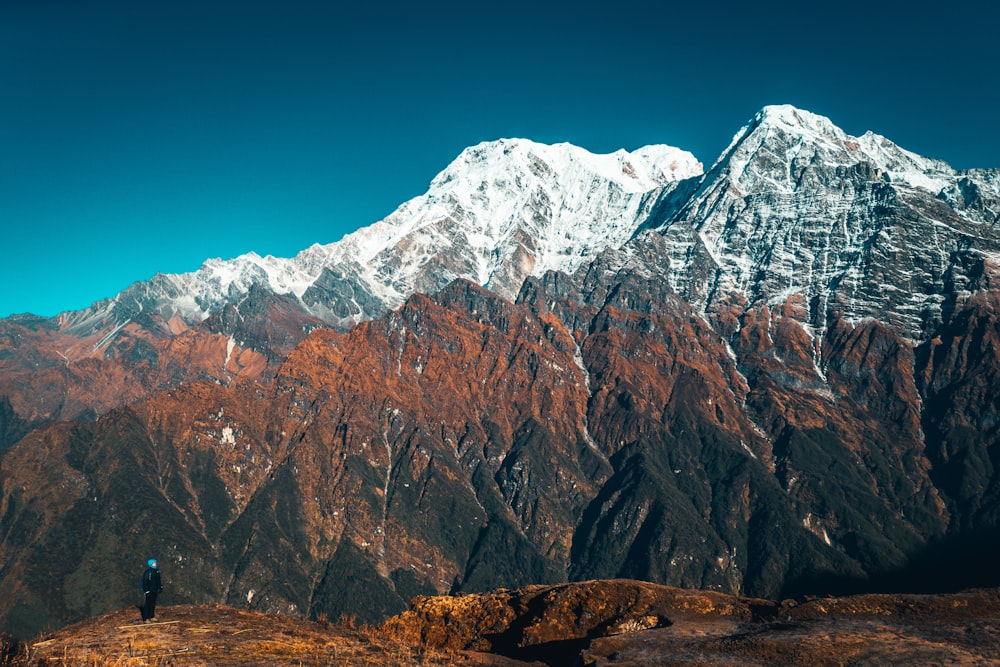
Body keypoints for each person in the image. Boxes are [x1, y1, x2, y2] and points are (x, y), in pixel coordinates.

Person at [139, 558, 163, 623]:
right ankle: (146, 618)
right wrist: (146, 591)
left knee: (153, 604)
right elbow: (145, 582)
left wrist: (160, 587)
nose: (155, 564)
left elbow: (158, 580)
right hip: (149, 591)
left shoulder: (157, 571)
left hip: (155, 590)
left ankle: (151, 616)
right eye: (154, 563)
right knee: (147, 604)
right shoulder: (148, 573)